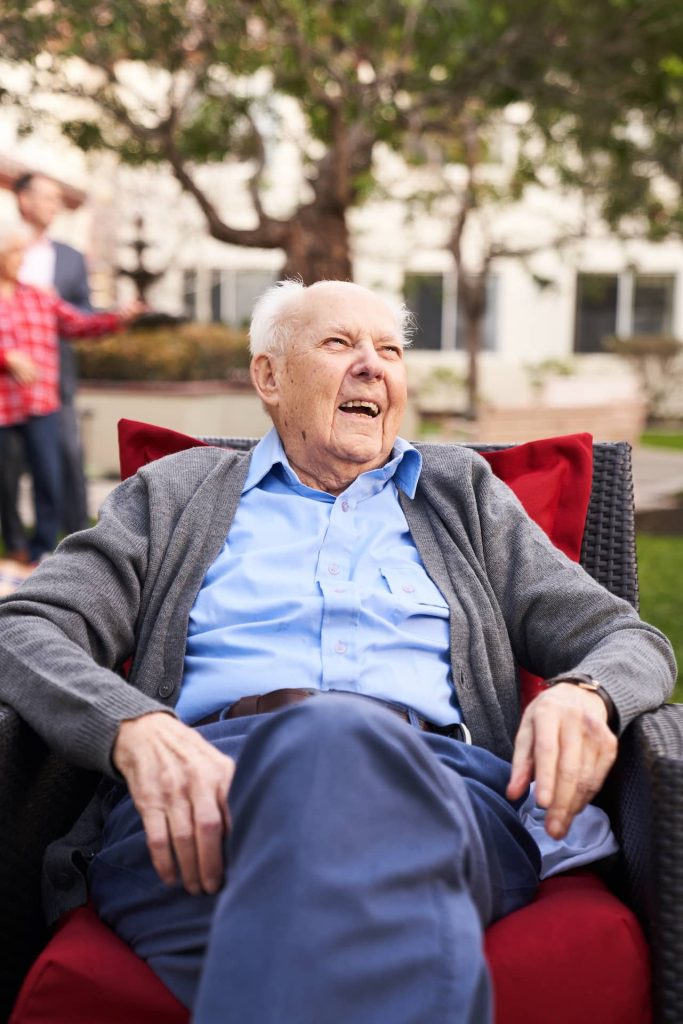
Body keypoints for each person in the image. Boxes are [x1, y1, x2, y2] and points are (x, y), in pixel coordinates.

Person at [0, 280, 675, 1023]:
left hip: (437, 793)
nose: (372, 366)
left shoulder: (463, 496)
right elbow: (25, 625)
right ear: (268, 377)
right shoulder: (172, 493)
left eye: (388, 350)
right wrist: (130, 727)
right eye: (338, 344)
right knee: (358, 939)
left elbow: (627, 638)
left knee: (332, 749)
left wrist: (588, 690)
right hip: (204, 802)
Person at [0, 221, 140, 562]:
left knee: (49, 475)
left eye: (23, 251)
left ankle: (43, 546)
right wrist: (6, 357)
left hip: (41, 402)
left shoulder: (39, 296)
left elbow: (79, 323)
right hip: (3, 405)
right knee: (4, 482)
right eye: (15, 251)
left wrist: (117, 318)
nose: (21, 258)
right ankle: (15, 543)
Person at [0, 173, 94, 561]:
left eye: (59, 200)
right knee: (7, 470)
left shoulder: (69, 256)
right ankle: (17, 542)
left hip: (53, 379)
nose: (55, 206)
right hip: (7, 386)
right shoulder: (7, 239)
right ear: (23, 199)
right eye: (48, 198)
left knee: (63, 458)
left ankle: (71, 539)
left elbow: (83, 314)